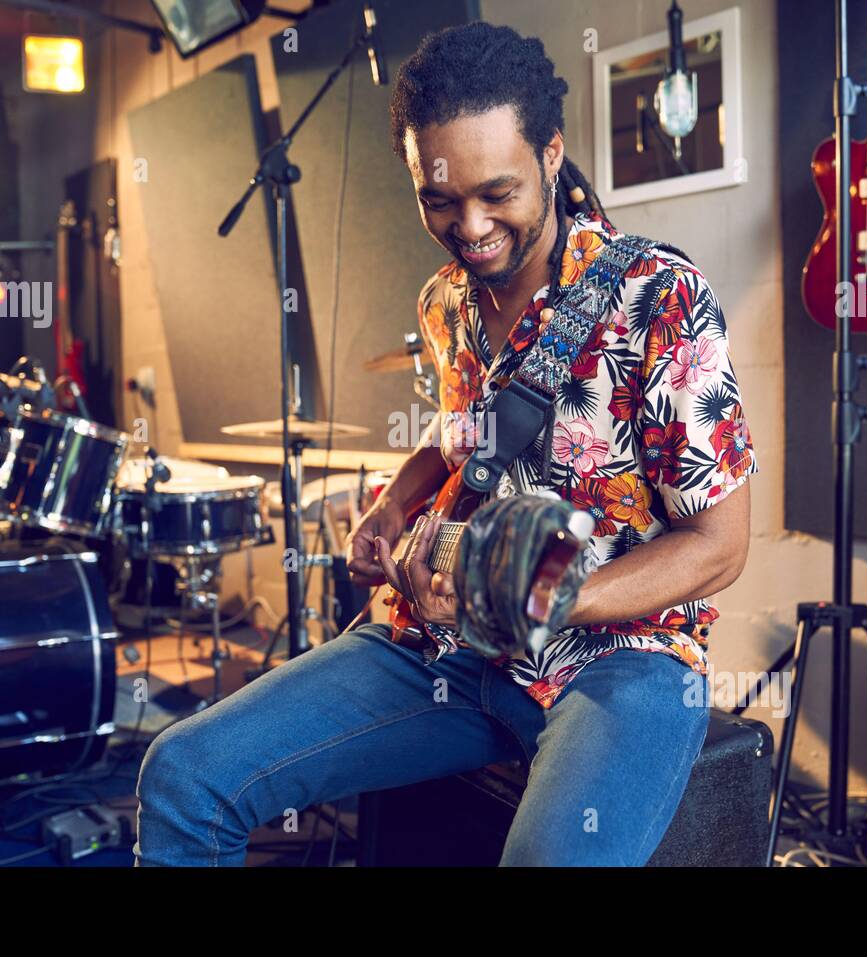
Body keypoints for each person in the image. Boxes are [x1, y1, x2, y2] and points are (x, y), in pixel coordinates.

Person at [135, 20, 758, 867]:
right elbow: (472, 428)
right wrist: (395, 503)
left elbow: (720, 546)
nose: (471, 227)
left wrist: (545, 598)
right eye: (440, 199)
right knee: (184, 772)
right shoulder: (446, 302)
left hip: (623, 656)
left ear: (550, 153)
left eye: (496, 192)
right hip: (453, 648)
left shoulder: (660, 297)